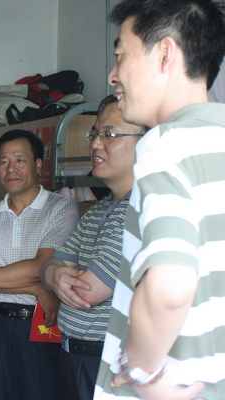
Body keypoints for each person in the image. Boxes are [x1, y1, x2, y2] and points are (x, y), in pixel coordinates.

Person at [94, 1, 225, 399]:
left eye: (121, 55)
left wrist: (141, 370)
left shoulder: (165, 145)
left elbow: (170, 288)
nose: (113, 75)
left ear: (165, 53)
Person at [39, 95, 146, 400]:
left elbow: (88, 292)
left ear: (145, 143)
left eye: (109, 134)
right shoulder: (97, 211)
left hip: (106, 361)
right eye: (95, 134)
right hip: (73, 355)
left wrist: (59, 275)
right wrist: (55, 274)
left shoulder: (140, 211)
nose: (96, 144)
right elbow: (48, 267)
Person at [0, 129, 79, 400]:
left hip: (41, 325)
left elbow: (42, 265)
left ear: (38, 165)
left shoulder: (61, 208)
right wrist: (37, 289)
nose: (11, 168)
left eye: (20, 159)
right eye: (4, 161)